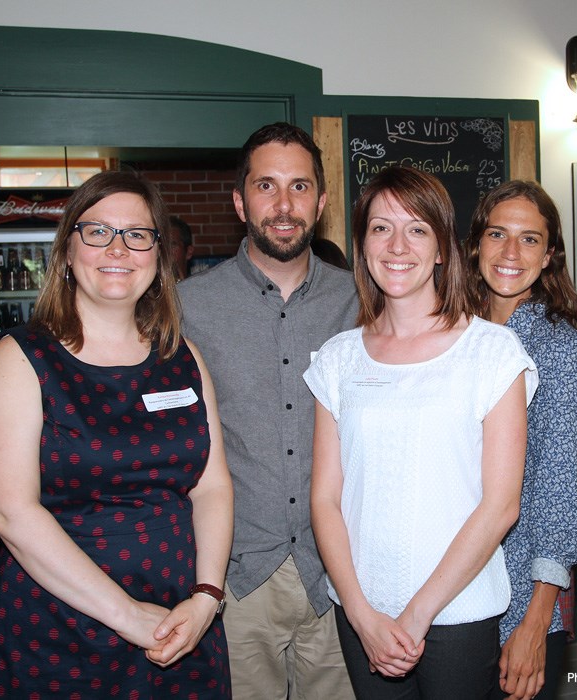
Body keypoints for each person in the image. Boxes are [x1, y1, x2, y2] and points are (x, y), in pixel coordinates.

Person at [0, 171, 233, 698]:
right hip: (59, 628)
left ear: (158, 256)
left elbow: (212, 487)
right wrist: (128, 615)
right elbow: (8, 511)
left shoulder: (184, 358)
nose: (119, 248)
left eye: (138, 234)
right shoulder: (22, 358)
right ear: (68, 251)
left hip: (180, 621)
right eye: (97, 232)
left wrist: (207, 596)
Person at [305, 165, 537, 699]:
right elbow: (325, 500)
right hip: (361, 613)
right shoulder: (338, 359)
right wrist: (362, 614)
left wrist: (417, 615)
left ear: (441, 249)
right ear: (362, 245)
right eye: (381, 228)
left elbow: (501, 505)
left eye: (417, 228)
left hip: (457, 613)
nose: (397, 244)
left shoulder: (492, 353)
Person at [178, 122, 359, 699]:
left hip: (340, 574)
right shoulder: (185, 307)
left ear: (322, 201)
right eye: (266, 186)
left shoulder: (363, 302)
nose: (284, 205)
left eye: (300, 187)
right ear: (239, 200)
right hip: (235, 580)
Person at [465, 181, 577, 700]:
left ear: (549, 256)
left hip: (517, 600)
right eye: (498, 234)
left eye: (529, 240)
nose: (509, 252)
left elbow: (559, 497)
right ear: (476, 242)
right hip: (448, 593)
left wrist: (534, 622)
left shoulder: (561, 352)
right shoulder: (453, 334)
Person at [168, 215, 195, 280]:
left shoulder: (200, 288)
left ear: (189, 252)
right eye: (161, 245)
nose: (165, 251)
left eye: (172, 246)